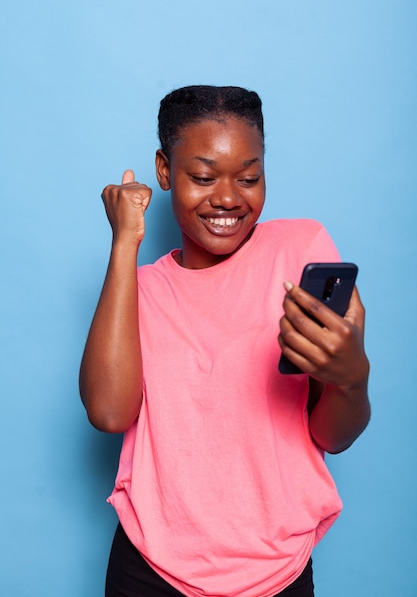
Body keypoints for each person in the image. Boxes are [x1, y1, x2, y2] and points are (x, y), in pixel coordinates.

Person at [79, 85, 370, 597]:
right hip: (151, 571)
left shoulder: (300, 251)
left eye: (250, 177)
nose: (230, 198)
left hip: (276, 572)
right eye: (203, 177)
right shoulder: (140, 291)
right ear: (164, 172)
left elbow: (334, 437)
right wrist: (124, 241)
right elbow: (107, 413)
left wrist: (351, 377)